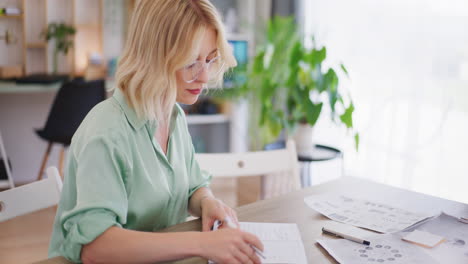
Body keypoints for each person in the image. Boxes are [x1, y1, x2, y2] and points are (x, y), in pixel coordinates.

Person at [48, 0, 264, 263]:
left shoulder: (174, 116)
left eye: (209, 60)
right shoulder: (106, 131)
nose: (205, 76)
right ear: (154, 56)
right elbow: (96, 248)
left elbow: (192, 187)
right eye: (191, 63)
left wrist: (207, 201)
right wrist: (202, 243)